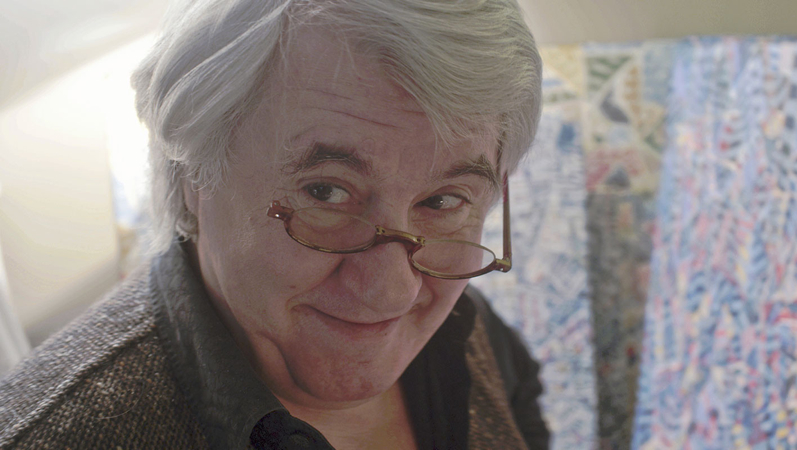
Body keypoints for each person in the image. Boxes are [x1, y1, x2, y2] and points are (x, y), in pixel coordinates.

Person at [0, 0, 546, 448]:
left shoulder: (477, 336)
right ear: (195, 175)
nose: (392, 292)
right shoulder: (54, 435)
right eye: (326, 192)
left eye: (444, 201)